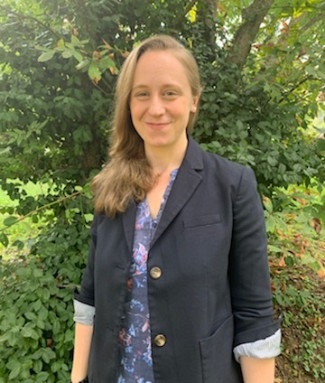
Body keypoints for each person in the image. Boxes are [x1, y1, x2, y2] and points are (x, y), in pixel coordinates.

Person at [71, 34, 281, 383]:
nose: (156, 108)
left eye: (170, 92)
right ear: (128, 103)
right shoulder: (111, 187)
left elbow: (254, 317)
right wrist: (78, 379)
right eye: (142, 94)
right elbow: (90, 299)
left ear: (194, 100)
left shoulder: (232, 185)